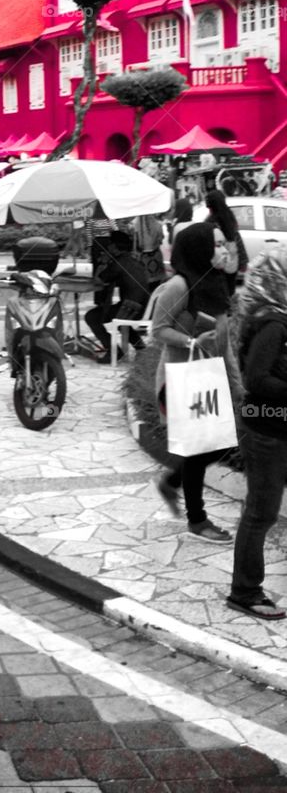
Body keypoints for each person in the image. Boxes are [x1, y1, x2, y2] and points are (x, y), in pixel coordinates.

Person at [152, 223, 234, 542]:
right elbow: (157, 330)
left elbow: (223, 340)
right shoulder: (178, 286)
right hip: (180, 378)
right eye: (217, 245)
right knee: (202, 447)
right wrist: (192, 341)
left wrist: (236, 383)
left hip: (207, 376)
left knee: (220, 444)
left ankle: (171, 482)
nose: (224, 249)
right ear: (200, 249)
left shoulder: (214, 283)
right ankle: (197, 520)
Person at [227, 248, 287, 620]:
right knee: (260, 513)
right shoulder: (273, 324)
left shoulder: (274, 319)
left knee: (261, 510)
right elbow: (256, 379)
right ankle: (244, 591)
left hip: (274, 427)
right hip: (267, 432)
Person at [85, 232, 150, 363]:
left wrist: (103, 263)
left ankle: (113, 351)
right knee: (120, 319)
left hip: (131, 308)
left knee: (91, 316)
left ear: (114, 247)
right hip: (144, 307)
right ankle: (141, 348)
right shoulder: (134, 260)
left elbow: (99, 280)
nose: (108, 247)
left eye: (109, 245)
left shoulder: (119, 262)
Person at [204, 188, 248, 296]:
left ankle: (225, 309)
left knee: (220, 291)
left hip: (218, 262)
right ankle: (229, 309)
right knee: (230, 288)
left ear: (211, 206)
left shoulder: (210, 222)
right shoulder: (230, 216)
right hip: (233, 259)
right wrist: (243, 260)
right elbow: (237, 237)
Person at [134, 213, 166, 291]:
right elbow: (160, 240)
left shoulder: (135, 224)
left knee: (143, 287)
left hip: (142, 258)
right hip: (156, 257)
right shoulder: (158, 224)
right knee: (156, 287)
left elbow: (135, 244)